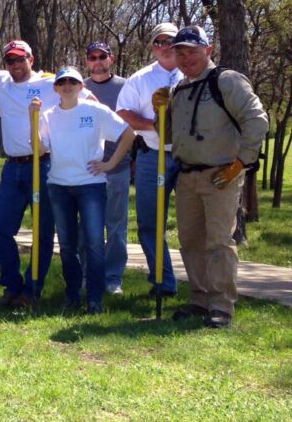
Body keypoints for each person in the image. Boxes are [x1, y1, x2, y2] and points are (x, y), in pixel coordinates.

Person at [0, 39, 92, 307]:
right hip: (12, 167)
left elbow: (89, 101)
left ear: (31, 59)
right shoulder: (0, 81)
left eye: (20, 58)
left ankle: (32, 289)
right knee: (1, 229)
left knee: (43, 232)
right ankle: (12, 286)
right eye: (10, 60)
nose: (15, 64)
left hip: (43, 165)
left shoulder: (49, 83)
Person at [163, 26, 268, 328]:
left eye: (192, 51)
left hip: (221, 174)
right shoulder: (178, 90)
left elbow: (256, 120)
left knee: (219, 241)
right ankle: (200, 299)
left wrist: (242, 162)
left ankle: (221, 305)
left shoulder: (226, 81)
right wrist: (160, 112)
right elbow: (169, 136)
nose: (186, 58)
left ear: (208, 50)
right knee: (190, 241)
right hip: (187, 176)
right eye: (180, 53)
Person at [31, 67, 135, 314]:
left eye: (73, 81)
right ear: (56, 88)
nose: (67, 86)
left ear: (81, 86)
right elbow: (39, 149)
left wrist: (110, 164)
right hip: (59, 186)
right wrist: (31, 118)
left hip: (91, 186)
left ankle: (95, 298)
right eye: (62, 82)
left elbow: (128, 134)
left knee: (94, 243)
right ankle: (72, 295)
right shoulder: (48, 115)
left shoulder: (96, 111)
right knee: (67, 246)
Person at [116, 23, 183, 297]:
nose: (165, 47)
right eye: (159, 42)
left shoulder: (194, 74)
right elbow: (123, 111)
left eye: (170, 41)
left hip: (188, 157)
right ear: (153, 47)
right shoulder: (140, 79)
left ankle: (204, 291)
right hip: (151, 156)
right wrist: (153, 126)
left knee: (193, 225)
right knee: (149, 223)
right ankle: (163, 282)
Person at [82, 42, 129, 295]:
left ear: (111, 59)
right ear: (87, 61)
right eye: (93, 57)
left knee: (116, 227)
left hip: (117, 168)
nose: (98, 62)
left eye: (102, 57)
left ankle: (112, 278)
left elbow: (131, 128)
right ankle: (86, 276)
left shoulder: (125, 87)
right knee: (86, 229)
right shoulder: (78, 87)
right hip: (87, 171)